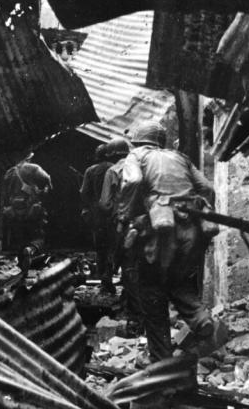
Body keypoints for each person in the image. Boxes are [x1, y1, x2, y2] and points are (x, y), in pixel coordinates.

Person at [117, 121, 217, 364]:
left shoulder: (137, 155)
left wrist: (124, 215)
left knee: (152, 291)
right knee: (179, 282)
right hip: (191, 230)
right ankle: (202, 322)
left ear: (138, 140)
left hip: (160, 233)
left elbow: (132, 181)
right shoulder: (179, 157)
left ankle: (162, 362)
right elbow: (207, 188)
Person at [98, 135, 143, 332]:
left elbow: (105, 203)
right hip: (148, 221)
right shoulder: (143, 165)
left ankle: (136, 314)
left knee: (127, 264)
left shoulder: (113, 171)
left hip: (124, 223)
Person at [0, 157, 52, 273]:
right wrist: (45, 190)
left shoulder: (10, 172)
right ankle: (31, 250)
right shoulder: (33, 168)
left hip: (14, 210)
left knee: (20, 238)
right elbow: (47, 179)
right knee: (38, 237)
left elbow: (6, 192)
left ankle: (22, 271)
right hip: (31, 209)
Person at [80, 143, 117, 294]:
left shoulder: (90, 170)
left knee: (100, 247)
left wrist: (91, 205)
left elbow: (84, 193)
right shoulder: (115, 167)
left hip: (97, 214)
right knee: (114, 245)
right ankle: (110, 273)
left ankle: (103, 278)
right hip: (114, 212)